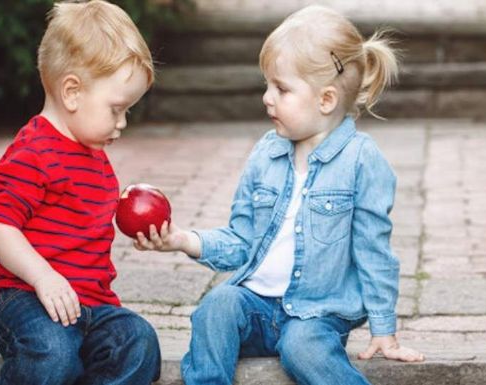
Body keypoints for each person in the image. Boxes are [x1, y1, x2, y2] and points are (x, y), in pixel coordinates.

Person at [134, 5, 424, 385]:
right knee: (216, 308)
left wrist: (383, 330)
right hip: (256, 306)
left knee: (302, 347)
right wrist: (183, 240)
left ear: (326, 100)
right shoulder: (266, 154)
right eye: (267, 85)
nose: (267, 98)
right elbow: (241, 241)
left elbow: (374, 252)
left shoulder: (361, 161)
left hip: (318, 313)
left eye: (282, 89)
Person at [0, 1, 160, 384]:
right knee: (54, 354)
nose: (122, 123)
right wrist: (43, 277)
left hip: (90, 305)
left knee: (139, 343)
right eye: (116, 109)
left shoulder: (95, 156)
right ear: (72, 92)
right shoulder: (34, 152)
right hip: (24, 296)